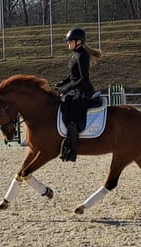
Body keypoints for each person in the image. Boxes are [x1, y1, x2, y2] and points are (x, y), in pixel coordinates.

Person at [54, 27, 102, 162]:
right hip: (75, 89)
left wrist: (66, 88)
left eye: (70, 41)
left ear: (79, 41)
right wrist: (62, 83)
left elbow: (83, 79)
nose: (68, 43)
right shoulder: (75, 54)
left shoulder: (82, 55)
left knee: (72, 117)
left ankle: (72, 150)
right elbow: (73, 75)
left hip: (83, 92)